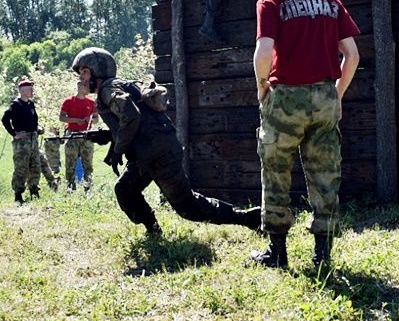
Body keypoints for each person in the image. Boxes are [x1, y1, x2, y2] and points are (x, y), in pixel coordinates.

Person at [250, 0, 361, 268]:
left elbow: (264, 52)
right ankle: (322, 255)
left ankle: (277, 252)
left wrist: (261, 89)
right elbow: (352, 55)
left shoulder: (270, 1)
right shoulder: (330, 1)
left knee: (276, 171)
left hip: (285, 96)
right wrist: (337, 94)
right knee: (325, 174)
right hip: (325, 95)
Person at [71, 47, 261, 235]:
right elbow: (136, 120)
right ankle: (153, 230)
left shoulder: (107, 89)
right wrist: (107, 134)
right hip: (153, 152)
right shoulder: (120, 84)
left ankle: (247, 218)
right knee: (125, 190)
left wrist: (117, 150)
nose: (82, 78)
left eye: (85, 72)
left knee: (188, 207)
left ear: (99, 70)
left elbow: (131, 115)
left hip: (156, 155)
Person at [1, 78, 51, 203]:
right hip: (22, 142)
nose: (32, 91)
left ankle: (34, 189)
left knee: (35, 165)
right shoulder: (15, 104)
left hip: (33, 139)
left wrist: (37, 129)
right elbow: (5, 119)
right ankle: (18, 194)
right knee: (21, 167)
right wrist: (14, 134)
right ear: (22, 90)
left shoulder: (30, 104)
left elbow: (34, 120)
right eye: (30, 89)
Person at [59, 80, 98, 193]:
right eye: (86, 86)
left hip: (86, 135)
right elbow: (61, 118)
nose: (88, 89)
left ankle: (87, 188)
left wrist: (90, 120)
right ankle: (70, 188)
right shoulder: (69, 101)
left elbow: (96, 119)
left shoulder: (91, 103)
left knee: (88, 163)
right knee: (70, 162)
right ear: (79, 86)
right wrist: (75, 120)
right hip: (72, 134)